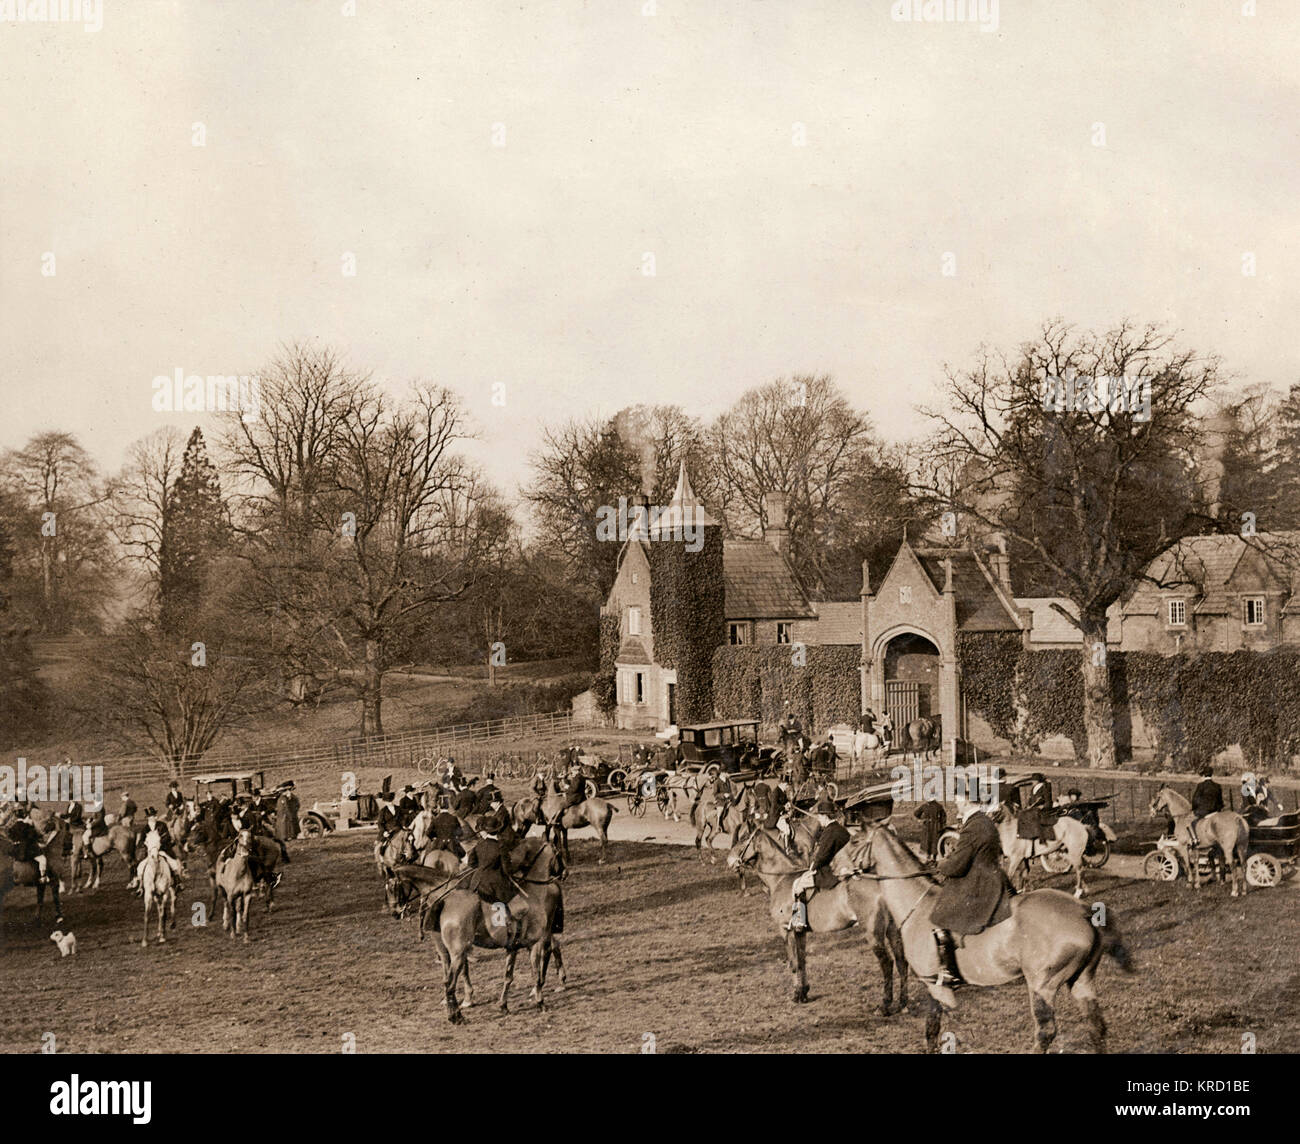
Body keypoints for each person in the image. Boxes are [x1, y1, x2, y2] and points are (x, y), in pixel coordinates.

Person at [930, 797, 1012, 987]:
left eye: (958, 802)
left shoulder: (973, 826)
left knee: (940, 915)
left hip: (979, 883)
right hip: (993, 875)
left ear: (967, 803)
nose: (956, 805)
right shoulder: (984, 821)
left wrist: (941, 864)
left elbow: (958, 865)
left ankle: (950, 972)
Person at [787, 797, 850, 931]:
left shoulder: (829, 831)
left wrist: (811, 869)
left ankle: (799, 921)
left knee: (798, 884)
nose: (819, 820)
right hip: (845, 867)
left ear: (825, 816)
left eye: (820, 817)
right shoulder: (841, 829)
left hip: (831, 871)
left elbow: (822, 856)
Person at [466, 808, 524, 946]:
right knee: (519, 905)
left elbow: (471, 863)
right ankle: (514, 932)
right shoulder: (501, 847)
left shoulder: (479, 845)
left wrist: (482, 867)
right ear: (497, 831)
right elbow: (507, 869)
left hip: (478, 882)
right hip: (496, 884)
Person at [136, 807, 184, 889]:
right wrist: (145, 844)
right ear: (148, 818)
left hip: (162, 849)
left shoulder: (162, 825)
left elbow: (167, 837)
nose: (153, 818)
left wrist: (160, 843)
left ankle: (177, 881)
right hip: (150, 851)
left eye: (154, 816)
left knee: (172, 862)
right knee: (141, 865)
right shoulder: (145, 829)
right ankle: (140, 884)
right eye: (150, 816)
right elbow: (141, 841)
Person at [7, 803, 49, 883]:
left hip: (16, 851)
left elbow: (11, 837)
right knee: (43, 859)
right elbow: (33, 837)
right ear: (23, 814)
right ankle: (43, 877)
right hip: (27, 850)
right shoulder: (27, 826)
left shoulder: (12, 828)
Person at [1188, 766, 1223, 847]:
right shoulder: (1217, 786)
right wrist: (1218, 810)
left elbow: (1195, 799)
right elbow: (1220, 801)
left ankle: (1195, 839)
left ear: (1204, 775)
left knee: (1189, 821)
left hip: (1204, 811)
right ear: (1211, 774)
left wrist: (1194, 809)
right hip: (1215, 811)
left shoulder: (1201, 785)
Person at [914, 799, 947, 863]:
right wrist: (942, 824)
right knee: (935, 841)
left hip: (927, 826)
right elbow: (944, 816)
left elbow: (916, 813)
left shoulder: (925, 805)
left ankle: (928, 858)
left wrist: (922, 819)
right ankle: (934, 858)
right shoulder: (939, 806)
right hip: (936, 827)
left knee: (928, 841)